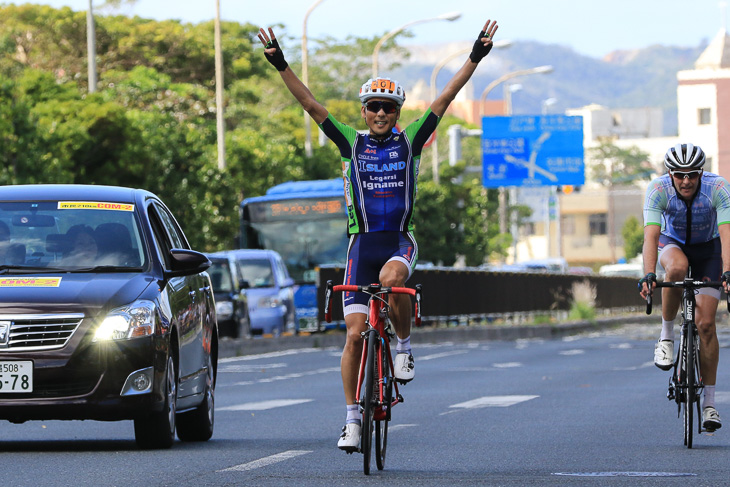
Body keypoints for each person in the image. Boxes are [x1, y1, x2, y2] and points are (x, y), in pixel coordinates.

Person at [258, 19, 499, 451]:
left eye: (388, 107)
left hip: (398, 242)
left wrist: (475, 57)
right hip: (360, 246)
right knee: (353, 335)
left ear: (398, 112)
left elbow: (446, 97)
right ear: (364, 111)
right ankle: (352, 419)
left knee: (393, 282)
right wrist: (281, 64)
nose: (381, 113)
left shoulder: (410, 142)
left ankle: (403, 345)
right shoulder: (351, 143)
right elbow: (311, 105)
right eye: (374, 106)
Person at [639, 143, 730, 433]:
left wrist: (728, 272)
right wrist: (649, 275)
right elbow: (651, 236)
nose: (686, 180)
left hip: (709, 249)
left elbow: (727, 234)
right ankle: (666, 336)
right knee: (675, 269)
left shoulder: (718, 188)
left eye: (692, 174)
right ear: (670, 174)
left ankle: (709, 404)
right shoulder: (658, 189)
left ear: (701, 173)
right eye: (679, 174)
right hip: (672, 243)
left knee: (705, 325)